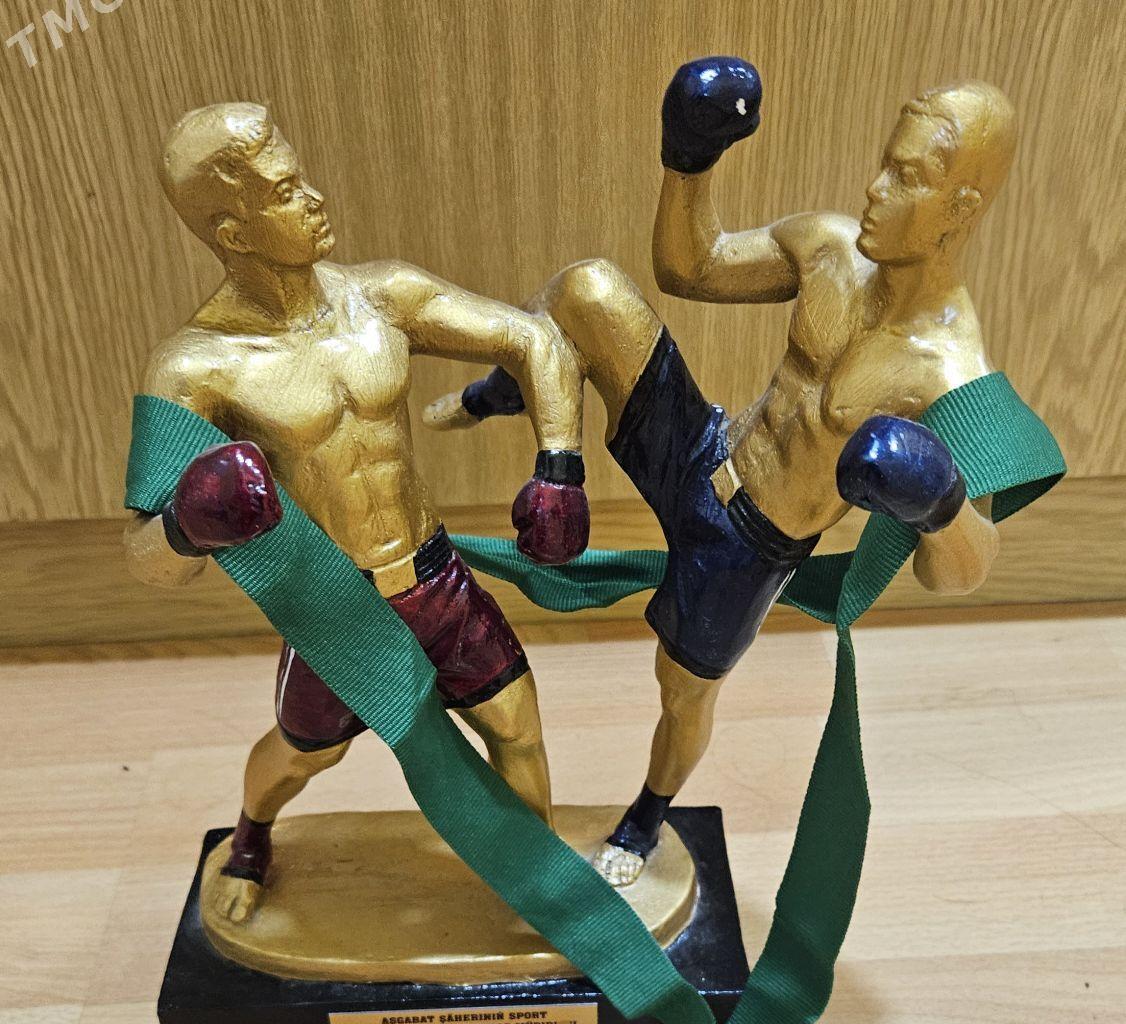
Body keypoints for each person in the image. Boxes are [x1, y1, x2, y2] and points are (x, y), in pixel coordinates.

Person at [427, 59, 1013, 887]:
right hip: (704, 453)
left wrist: (942, 502)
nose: (875, 189)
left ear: (961, 207)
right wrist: (689, 161)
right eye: (885, 162)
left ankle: (646, 816)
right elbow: (691, 266)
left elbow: (968, 567)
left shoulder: (952, 372)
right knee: (588, 291)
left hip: (749, 548)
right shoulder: (830, 248)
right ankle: (508, 402)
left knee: (683, 693)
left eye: (907, 178)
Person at [126, 102, 588, 921]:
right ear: (233, 232)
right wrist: (187, 524)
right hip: (336, 611)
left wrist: (560, 466)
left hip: (434, 576)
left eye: (301, 176)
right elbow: (145, 562)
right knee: (302, 756)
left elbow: (536, 340)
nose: (314, 198)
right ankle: (249, 837)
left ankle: (542, 879)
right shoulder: (197, 368)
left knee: (517, 720)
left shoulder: (382, 297)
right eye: (284, 191)